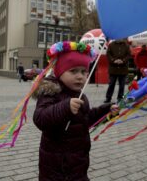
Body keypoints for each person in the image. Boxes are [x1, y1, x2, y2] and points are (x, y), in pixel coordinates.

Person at [32, 43, 118, 181]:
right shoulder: (51, 92)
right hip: (57, 167)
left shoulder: (80, 95)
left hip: (78, 162)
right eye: (73, 71)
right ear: (60, 71)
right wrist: (65, 108)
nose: (80, 76)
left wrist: (106, 110)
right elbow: (40, 118)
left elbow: (86, 119)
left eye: (84, 72)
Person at [104, 39, 131, 103]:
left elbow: (128, 55)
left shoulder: (126, 45)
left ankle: (120, 98)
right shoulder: (111, 45)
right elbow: (108, 54)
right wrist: (113, 60)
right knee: (111, 84)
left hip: (123, 69)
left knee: (122, 85)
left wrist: (123, 60)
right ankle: (108, 97)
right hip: (113, 69)